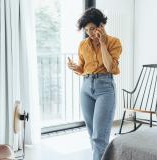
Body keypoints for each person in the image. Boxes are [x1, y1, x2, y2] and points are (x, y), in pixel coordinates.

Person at [67, 7, 122, 160]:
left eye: (92, 28)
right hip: (86, 88)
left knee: (100, 136)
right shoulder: (83, 45)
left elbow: (110, 67)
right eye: (86, 30)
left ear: (101, 25)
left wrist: (103, 43)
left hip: (105, 88)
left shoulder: (114, 42)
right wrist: (75, 67)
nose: (90, 33)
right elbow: (84, 67)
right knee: (92, 135)